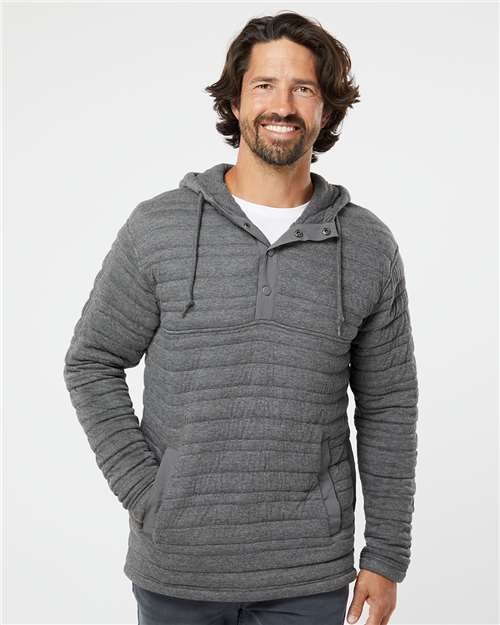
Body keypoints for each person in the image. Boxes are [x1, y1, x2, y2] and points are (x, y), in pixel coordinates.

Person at [63, 10, 419, 625]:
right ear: (234, 101)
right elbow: (92, 362)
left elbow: (389, 406)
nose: (282, 105)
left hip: (308, 574)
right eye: (264, 85)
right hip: (177, 567)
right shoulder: (161, 227)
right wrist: (147, 492)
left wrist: (386, 555)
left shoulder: (367, 246)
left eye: (303, 88)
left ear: (326, 110)